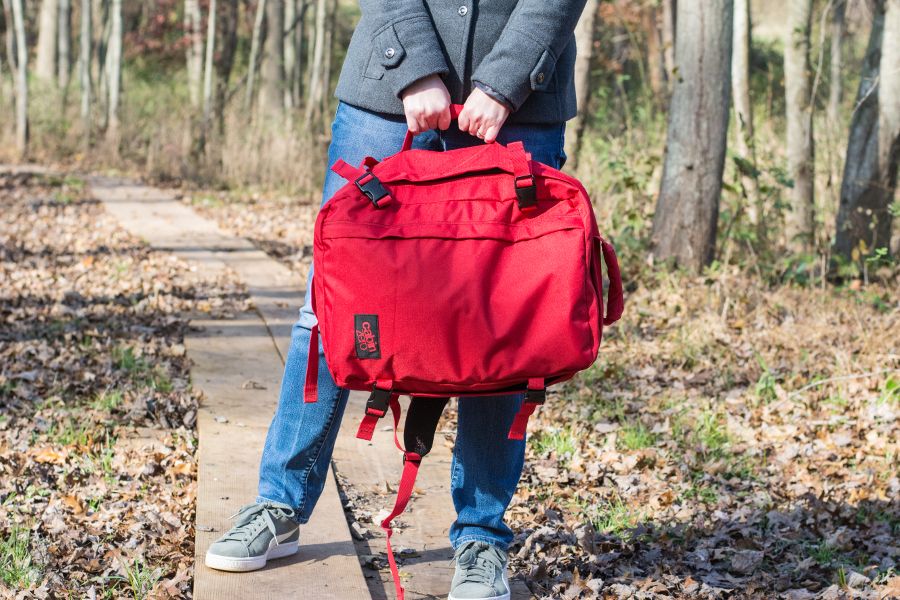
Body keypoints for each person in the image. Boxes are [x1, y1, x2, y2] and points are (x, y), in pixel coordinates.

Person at [205, 1, 586, 598]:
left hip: (523, 105)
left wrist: (506, 80)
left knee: (506, 319)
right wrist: (411, 65)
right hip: (386, 97)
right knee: (331, 306)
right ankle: (278, 505)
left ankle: (482, 537)